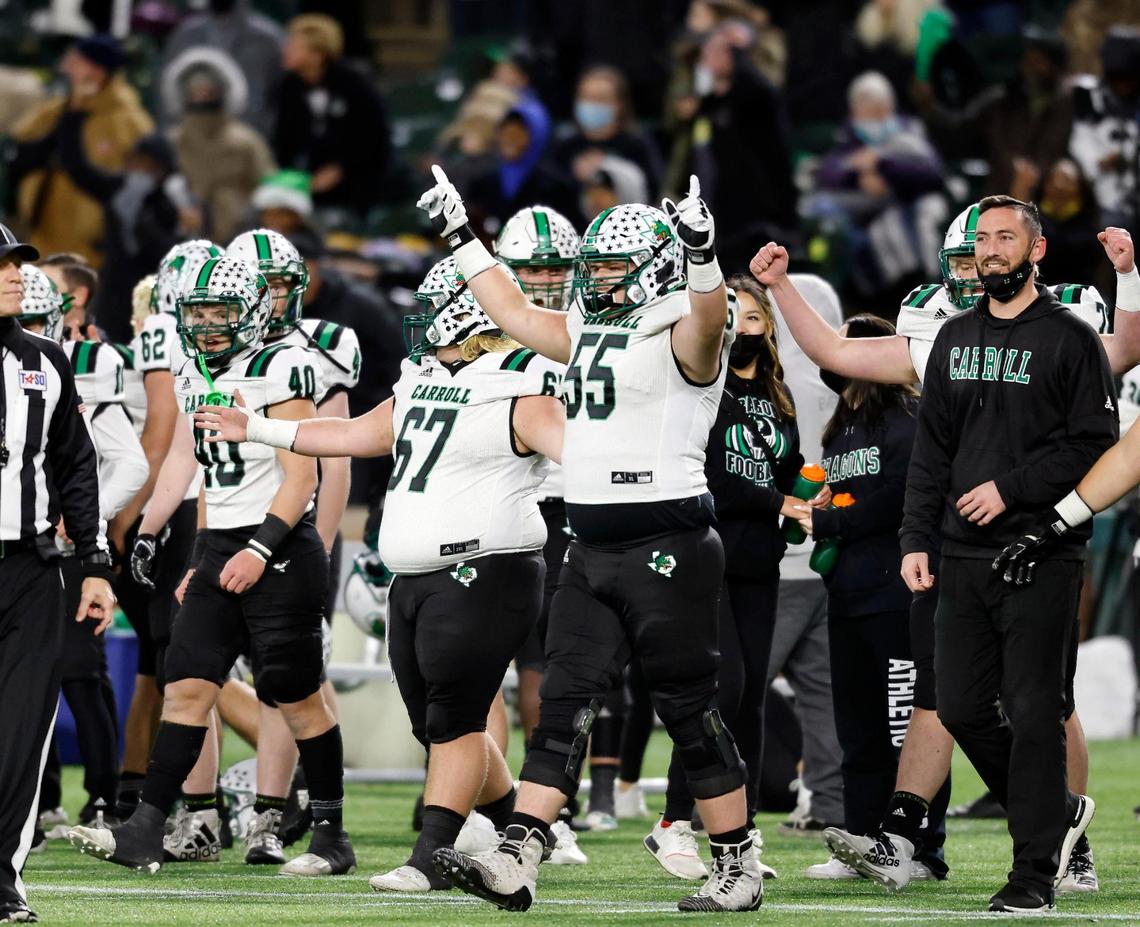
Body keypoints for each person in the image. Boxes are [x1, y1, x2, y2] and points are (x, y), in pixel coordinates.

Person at [750, 209, 1139, 891]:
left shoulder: (1068, 325)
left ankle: (1046, 853)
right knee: (951, 698)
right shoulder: (947, 332)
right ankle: (1038, 818)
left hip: (1043, 537)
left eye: (996, 243)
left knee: (1044, 701)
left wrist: (1128, 276)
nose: (977, 263)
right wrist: (782, 290)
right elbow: (852, 369)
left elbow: (1119, 365)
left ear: (1036, 249)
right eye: (966, 253)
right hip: (956, 543)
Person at [415, 166, 762, 912]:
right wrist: (462, 236)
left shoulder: (688, 317)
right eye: (593, 265)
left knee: (686, 708)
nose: (598, 277)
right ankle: (519, 853)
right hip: (589, 544)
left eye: (612, 265)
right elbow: (509, 308)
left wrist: (703, 253)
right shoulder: (588, 324)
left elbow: (706, 328)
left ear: (655, 267)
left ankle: (736, 859)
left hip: (667, 541)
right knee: (562, 702)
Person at [195, 254, 564, 892]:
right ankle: (521, 831)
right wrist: (254, 428)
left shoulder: (523, 375)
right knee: (437, 721)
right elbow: (359, 432)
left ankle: (431, 859)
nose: (420, 322)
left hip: (488, 566)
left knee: (454, 716)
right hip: (416, 573)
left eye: (431, 308)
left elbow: (575, 450)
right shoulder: (424, 373)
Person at [69, 255, 354, 877]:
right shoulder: (192, 368)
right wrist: (152, 531)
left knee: (297, 697)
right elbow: (188, 462)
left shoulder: (283, 365)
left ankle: (331, 833)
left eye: (219, 310)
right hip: (220, 542)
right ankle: (147, 826)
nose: (207, 323)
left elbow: (303, 474)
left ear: (251, 309)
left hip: (278, 546)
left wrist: (258, 550)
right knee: (187, 683)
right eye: (196, 311)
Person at [645, 276, 809, 883]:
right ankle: (674, 822)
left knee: (752, 700)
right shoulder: (701, 379)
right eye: (730, 313)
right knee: (722, 689)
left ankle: (742, 832)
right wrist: (777, 503)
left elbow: (787, 465)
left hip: (759, 563)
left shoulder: (776, 391)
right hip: (706, 555)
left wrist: (803, 499)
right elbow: (711, 470)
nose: (741, 323)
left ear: (767, 325)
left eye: (752, 314)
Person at [225, 227, 360, 865]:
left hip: (291, 538)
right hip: (229, 535)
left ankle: (278, 815)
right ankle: (280, 808)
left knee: (291, 681)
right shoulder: (213, 348)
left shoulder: (324, 347)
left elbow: (331, 458)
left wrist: (318, 547)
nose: (271, 298)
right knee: (262, 678)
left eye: (280, 284)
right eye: (260, 286)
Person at [0, 224, 116, 924]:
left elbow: (76, 464)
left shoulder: (46, 358)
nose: (17, 276)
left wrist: (94, 564)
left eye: (18, 265)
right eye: (3, 266)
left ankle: (2, 879)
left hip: (32, 569)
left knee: (19, 730)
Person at [795, 314, 924, 882]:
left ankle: (920, 849)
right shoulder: (842, 427)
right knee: (858, 729)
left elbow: (901, 499)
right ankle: (863, 839)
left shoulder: (907, 422)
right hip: (846, 593)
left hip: (896, 593)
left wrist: (830, 525)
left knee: (905, 731)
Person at [7, 35, 153, 266]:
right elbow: (22, 150)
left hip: (94, 248)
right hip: (44, 235)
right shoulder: (55, 111)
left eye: (76, 62)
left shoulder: (129, 122)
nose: (66, 67)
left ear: (97, 70)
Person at [273, 13, 392, 218]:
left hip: (358, 186)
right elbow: (285, 140)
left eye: (294, 47)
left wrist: (341, 169)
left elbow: (374, 138)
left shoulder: (356, 84)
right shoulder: (288, 87)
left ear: (317, 55)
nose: (286, 51)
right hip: (310, 185)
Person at [165, 48, 277, 243]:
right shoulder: (172, 141)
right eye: (196, 91)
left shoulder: (245, 141)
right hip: (181, 238)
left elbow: (268, 187)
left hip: (239, 235)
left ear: (223, 92)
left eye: (209, 91)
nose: (202, 97)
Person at [159, 0, 284, 137]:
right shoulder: (186, 35)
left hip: (250, 139)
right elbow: (167, 90)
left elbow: (282, 97)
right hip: (193, 141)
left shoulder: (267, 39)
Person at [553, 65, 663, 199]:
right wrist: (576, 177)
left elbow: (653, 191)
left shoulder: (636, 144)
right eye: (585, 97)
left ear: (619, 104)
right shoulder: (565, 144)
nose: (591, 104)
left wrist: (610, 169)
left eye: (600, 99)